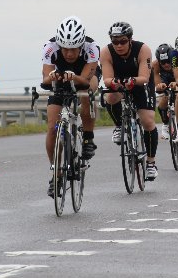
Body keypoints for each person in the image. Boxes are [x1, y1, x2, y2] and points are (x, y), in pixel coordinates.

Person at [41, 16, 100, 198]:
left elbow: (85, 79)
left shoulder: (92, 48)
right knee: (52, 129)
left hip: (83, 76)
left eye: (73, 49)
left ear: (81, 44)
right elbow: (45, 80)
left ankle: (88, 139)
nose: (69, 53)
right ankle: (56, 173)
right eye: (65, 48)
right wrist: (53, 77)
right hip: (60, 80)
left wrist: (73, 76)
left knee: (87, 93)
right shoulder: (49, 47)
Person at [100, 21, 159, 181]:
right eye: (115, 41)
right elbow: (107, 79)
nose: (119, 45)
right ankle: (119, 125)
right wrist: (114, 83)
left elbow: (144, 77)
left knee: (147, 121)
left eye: (123, 41)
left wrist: (132, 81)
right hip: (118, 82)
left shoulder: (142, 49)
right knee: (110, 96)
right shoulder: (106, 51)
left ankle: (151, 163)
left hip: (140, 82)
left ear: (130, 40)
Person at [152, 43, 176, 139]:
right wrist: (160, 86)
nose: (166, 64)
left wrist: (177, 84)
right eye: (163, 62)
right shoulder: (155, 64)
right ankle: (166, 124)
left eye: (168, 61)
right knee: (164, 100)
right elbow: (157, 82)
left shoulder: (177, 60)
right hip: (165, 78)